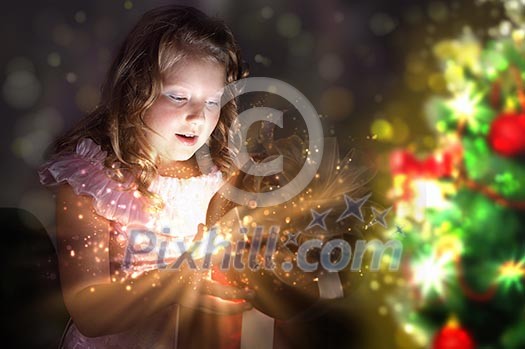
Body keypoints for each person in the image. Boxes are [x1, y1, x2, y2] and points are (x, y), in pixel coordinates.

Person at [38, 5, 254, 348]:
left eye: (212, 102)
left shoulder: (224, 177)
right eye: (179, 97)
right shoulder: (93, 183)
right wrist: (175, 283)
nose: (197, 116)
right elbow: (88, 311)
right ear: (137, 90)